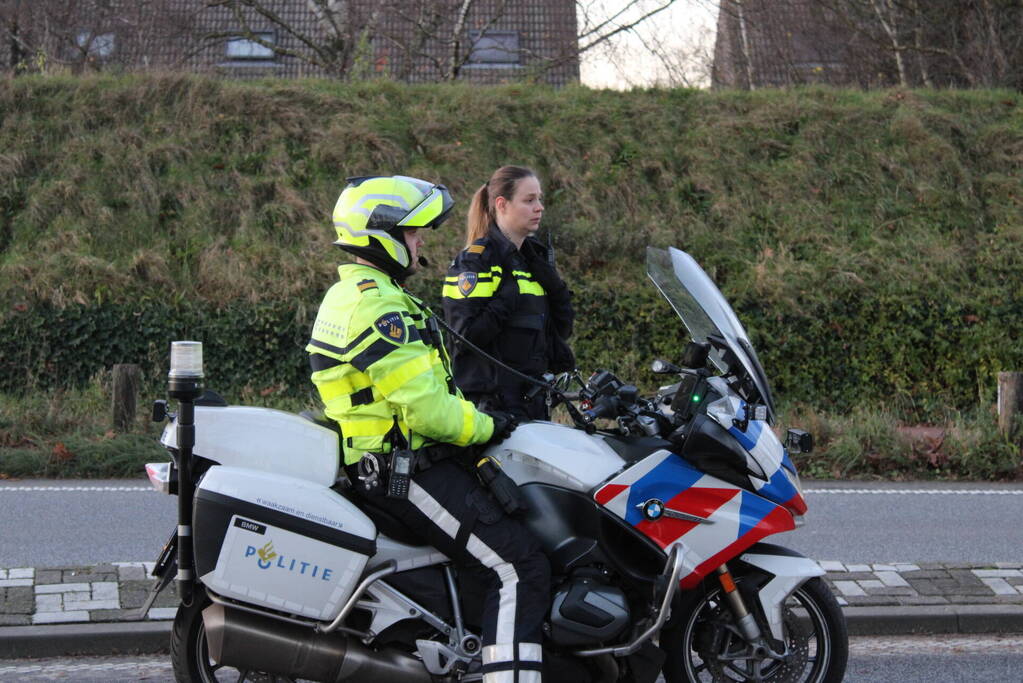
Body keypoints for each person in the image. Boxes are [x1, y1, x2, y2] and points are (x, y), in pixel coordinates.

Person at [306, 175, 549, 683]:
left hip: (394, 460)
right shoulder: (379, 306)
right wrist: (489, 425)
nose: (420, 244)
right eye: (414, 234)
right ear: (383, 235)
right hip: (406, 469)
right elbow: (428, 412)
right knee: (519, 565)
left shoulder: (356, 293)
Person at [442, 166, 575, 421]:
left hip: (534, 406)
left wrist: (556, 288)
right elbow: (465, 338)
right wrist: (507, 297)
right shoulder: (475, 263)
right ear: (502, 204)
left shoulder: (533, 261)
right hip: (489, 412)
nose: (539, 207)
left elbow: (559, 331)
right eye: (529, 200)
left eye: (539, 198)